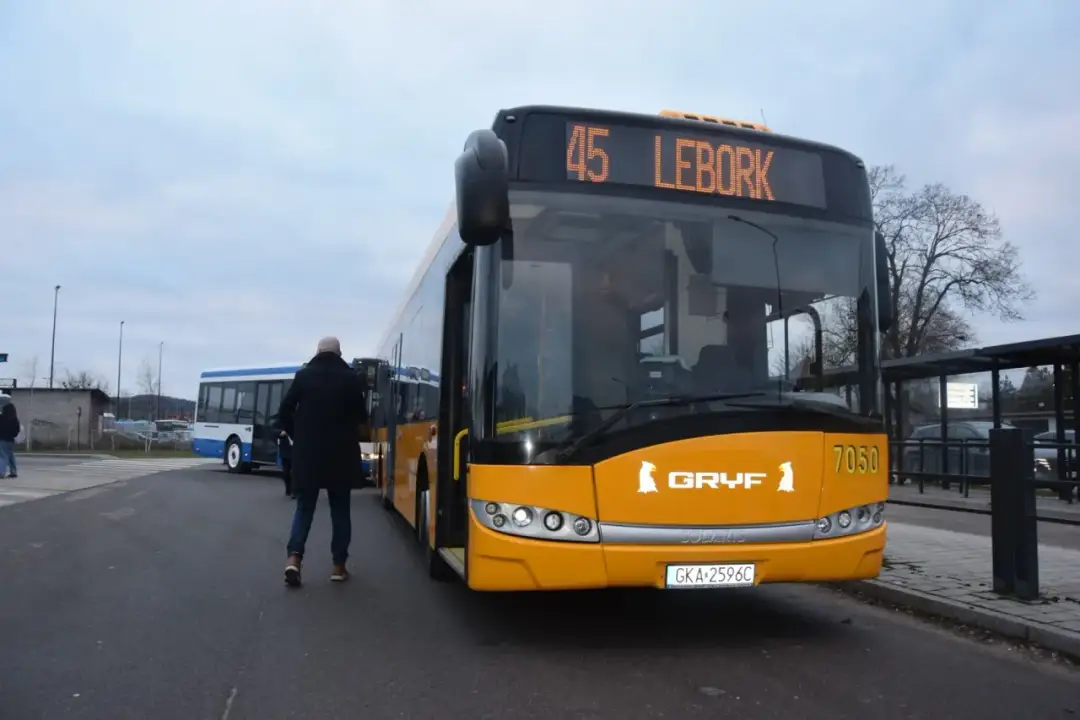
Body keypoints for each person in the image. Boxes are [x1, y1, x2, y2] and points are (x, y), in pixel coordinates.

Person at [276, 336, 367, 587]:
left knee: (304, 508)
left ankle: (294, 558)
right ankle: (338, 566)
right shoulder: (350, 379)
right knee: (340, 510)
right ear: (339, 354)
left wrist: (298, 436)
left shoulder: (303, 376)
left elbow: (283, 412)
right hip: (341, 456)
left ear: (317, 352)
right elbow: (362, 416)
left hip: (308, 455)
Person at [0, 403, 20, 479]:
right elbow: (17, 431)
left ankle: (1, 472)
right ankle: (13, 471)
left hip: (2, 439)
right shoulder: (15, 419)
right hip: (10, 440)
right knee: (10, 456)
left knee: (2, 456)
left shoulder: (1, 418)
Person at [278, 430, 294, 498]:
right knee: (286, 473)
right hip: (286, 453)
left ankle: (294, 491)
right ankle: (288, 490)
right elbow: (274, 432)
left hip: (296, 452)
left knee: (295, 473)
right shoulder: (283, 424)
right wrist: (281, 433)